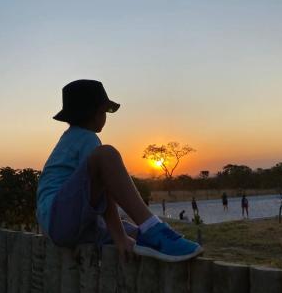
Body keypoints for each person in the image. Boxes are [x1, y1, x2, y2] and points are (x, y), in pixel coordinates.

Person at [36, 80, 202, 262]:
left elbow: (98, 190)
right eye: (104, 112)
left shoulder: (70, 138)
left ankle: (153, 239)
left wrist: (121, 233)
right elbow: (105, 190)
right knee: (107, 154)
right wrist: (119, 236)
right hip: (59, 219)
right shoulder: (87, 138)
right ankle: (155, 229)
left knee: (135, 234)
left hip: (63, 225)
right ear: (97, 113)